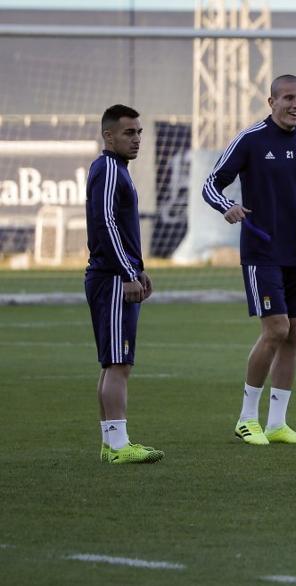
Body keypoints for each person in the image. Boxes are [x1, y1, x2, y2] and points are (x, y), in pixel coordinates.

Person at [201, 74, 296, 446]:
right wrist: (228, 206)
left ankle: (277, 423)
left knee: (294, 334)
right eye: (288, 97)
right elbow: (211, 184)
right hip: (262, 252)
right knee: (275, 330)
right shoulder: (251, 140)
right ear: (271, 101)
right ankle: (246, 419)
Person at [86, 104, 163, 464]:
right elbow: (105, 224)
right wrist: (127, 273)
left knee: (114, 363)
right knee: (119, 363)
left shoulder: (117, 169)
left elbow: (117, 226)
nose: (136, 139)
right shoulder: (108, 169)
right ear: (109, 135)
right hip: (112, 278)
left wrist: (139, 267)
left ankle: (111, 443)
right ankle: (118, 446)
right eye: (128, 133)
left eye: (139, 133)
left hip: (116, 274)